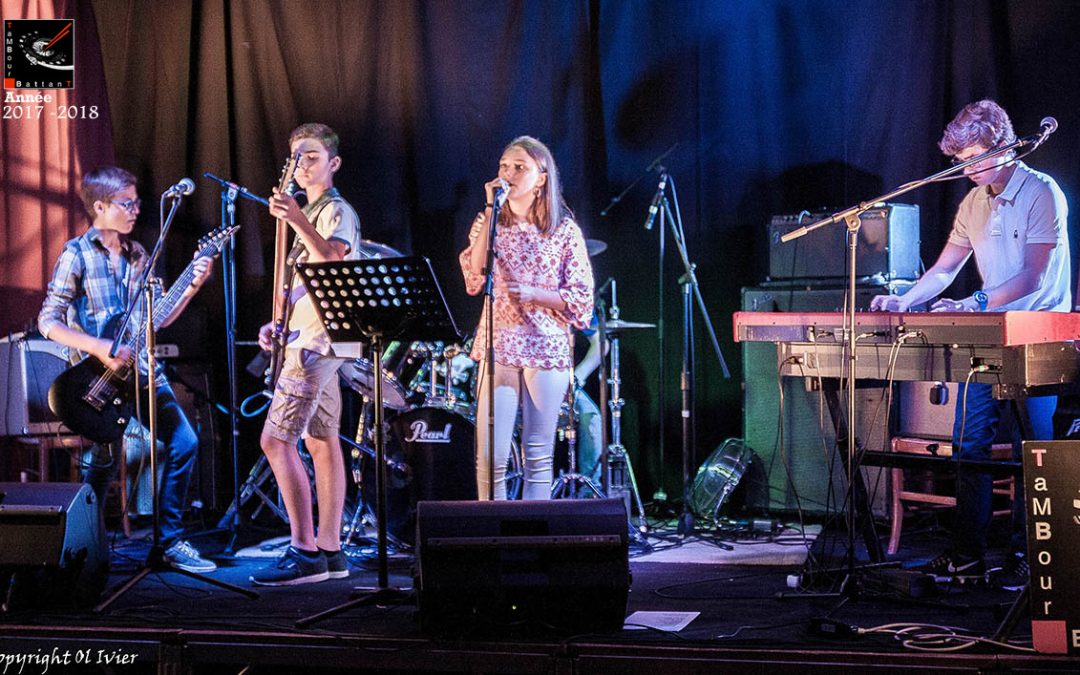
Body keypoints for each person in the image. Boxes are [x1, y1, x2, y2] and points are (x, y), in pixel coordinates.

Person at [870, 100, 1070, 589]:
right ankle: (968, 556)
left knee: (1035, 451)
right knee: (969, 444)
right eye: (961, 162)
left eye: (974, 159)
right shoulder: (973, 202)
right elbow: (944, 269)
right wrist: (904, 300)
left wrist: (973, 301)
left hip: (1038, 337)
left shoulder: (1041, 192)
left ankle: (1033, 557)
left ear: (1003, 145)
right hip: (988, 336)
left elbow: (1032, 276)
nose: (968, 170)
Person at [38, 165, 216, 573]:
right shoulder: (76, 253)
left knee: (185, 441)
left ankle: (169, 541)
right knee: (102, 461)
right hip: (95, 379)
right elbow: (49, 320)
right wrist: (100, 347)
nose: (136, 210)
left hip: (142, 371)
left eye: (136, 203)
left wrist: (191, 285)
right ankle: (83, 551)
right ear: (100, 206)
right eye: (127, 204)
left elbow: (158, 319)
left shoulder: (138, 255)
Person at [251, 123, 362, 586]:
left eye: (312, 156)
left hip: (318, 342)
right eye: (296, 156)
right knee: (321, 440)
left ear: (333, 163)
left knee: (276, 441)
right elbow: (304, 282)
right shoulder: (310, 211)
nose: (302, 164)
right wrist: (278, 321)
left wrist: (296, 218)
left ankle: (304, 551)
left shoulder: (335, 210)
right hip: (308, 335)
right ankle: (330, 550)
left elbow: (333, 260)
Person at [460, 136, 594, 500]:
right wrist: (491, 209)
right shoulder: (488, 222)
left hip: (545, 343)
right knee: (491, 456)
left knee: (537, 454)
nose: (508, 173)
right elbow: (475, 275)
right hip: (499, 342)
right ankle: (493, 528)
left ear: (541, 178)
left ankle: (534, 529)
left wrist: (536, 295)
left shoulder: (563, 230)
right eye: (504, 166)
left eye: (520, 167)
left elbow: (581, 298)